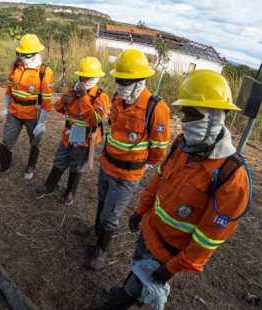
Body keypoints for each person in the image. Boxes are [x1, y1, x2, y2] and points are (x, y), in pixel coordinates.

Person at [94, 69, 251, 309]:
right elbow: (159, 178)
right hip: (149, 232)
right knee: (136, 272)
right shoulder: (181, 144)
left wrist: (171, 268)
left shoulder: (231, 175)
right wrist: (140, 210)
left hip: (168, 254)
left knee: (131, 291)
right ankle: (128, 290)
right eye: (185, 113)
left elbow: (209, 238)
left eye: (193, 114)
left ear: (217, 115)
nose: (186, 121)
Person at [75, 49, 171, 270]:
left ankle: (101, 251)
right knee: (101, 203)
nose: (120, 84)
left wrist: (141, 162)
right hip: (107, 166)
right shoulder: (118, 99)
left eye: (125, 81)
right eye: (118, 79)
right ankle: (96, 232)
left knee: (111, 215)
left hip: (127, 175)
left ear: (140, 82)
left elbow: (158, 149)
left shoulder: (156, 108)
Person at [34, 57, 109, 205]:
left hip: (85, 139)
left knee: (76, 165)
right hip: (68, 135)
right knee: (60, 160)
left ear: (95, 77)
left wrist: (83, 97)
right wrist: (62, 102)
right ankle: (48, 187)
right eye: (81, 76)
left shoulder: (101, 97)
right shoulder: (72, 89)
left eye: (87, 77)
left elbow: (94, 119)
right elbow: (61, 109)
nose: (83, 79)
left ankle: (70, 192)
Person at [0, 34, 54, 180]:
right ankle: (3, 166)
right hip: (14, 110)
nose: (22, 57)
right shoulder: (16, 66)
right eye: (21, 54)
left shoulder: (44, 72)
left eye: (26, 55)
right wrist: (6, 106)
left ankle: (31, 166)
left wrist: (42, 121)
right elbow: (9, 88)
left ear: (35, 53)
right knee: (7, 139)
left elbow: (46, 100)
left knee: (35, 140)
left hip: (32, 113)